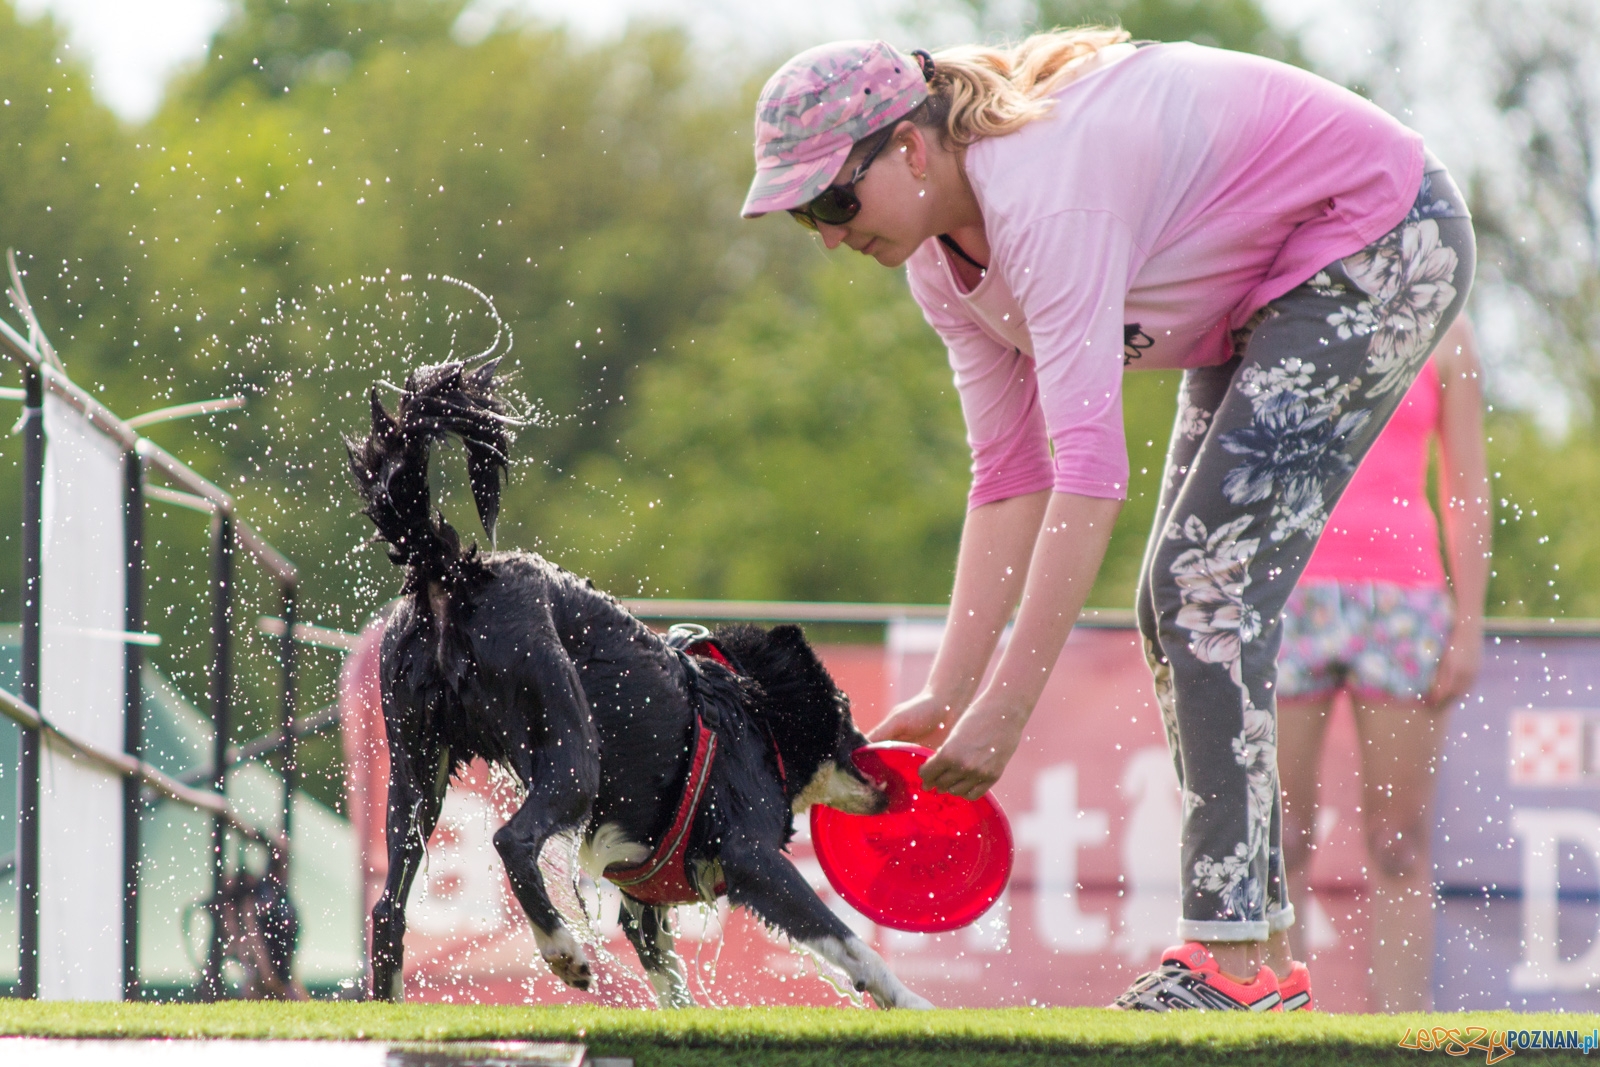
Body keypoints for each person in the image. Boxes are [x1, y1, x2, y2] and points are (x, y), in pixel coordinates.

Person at [741, 30, 1475, 1011]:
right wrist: (948, 692)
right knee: (1171, 603)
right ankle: (1260, 957)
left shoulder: (1043, 195)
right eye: (804, 217)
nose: (828, 233)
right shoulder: (936, 262)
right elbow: (1009, 477)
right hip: (1269, 280)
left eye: (834, 198)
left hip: (1382, 235)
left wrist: (1006, 707)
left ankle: (1235, 964)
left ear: (911, 148)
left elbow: (1087, 473)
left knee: (1201, 585)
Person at [1276, 316, 1490, 1012]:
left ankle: (1402, 1035)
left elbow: (1466, 490)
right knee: (1280, 837)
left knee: (1398, 841)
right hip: (1289, 591)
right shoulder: (1286, 304)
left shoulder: (1447, 332)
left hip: (1403, 601)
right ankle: (1275, 1025)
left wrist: (1469, 622)